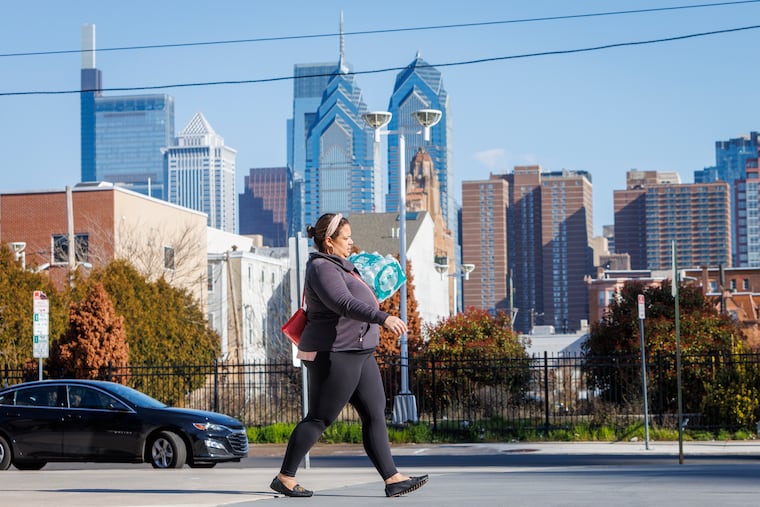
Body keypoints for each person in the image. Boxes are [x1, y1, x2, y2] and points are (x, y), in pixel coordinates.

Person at [270, 212, 428, 498]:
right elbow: (343, 303)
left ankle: (392, 478)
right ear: (329, 242)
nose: (351, 242)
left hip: (360, 352)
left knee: (374, 414)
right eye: (346, 237)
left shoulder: (342, 267)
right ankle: (286, 477)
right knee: (320, 418)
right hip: (336, 353)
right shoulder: (321, 268)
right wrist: (382, 317)